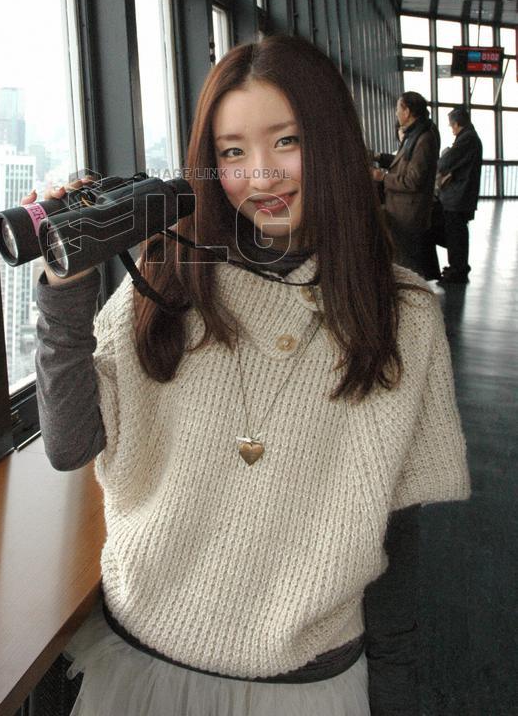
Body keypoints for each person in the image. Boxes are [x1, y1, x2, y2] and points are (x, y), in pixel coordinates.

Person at [26, 35, 470, 716]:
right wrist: (64, 287)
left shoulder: (402, 315)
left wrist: (397, 689)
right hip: (139, 666)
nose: (260, 176)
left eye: (286, 141)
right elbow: (69, 444)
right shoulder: (165, 277)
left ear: (334, 144)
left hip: (308, 686)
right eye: (232, 152)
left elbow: (394, 539)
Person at [372, 93, 440, 279]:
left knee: (408, 266)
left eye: (397, 108)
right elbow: (403, 163)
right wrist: (378, 157)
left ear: (407, 111)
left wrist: (382, 176)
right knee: (405, 260)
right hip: (404, 210)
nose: (396, 113)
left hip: (409, 213)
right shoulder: (415, 134)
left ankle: (413, 301)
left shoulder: (423, 138)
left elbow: (413, 180)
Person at [435, 107, 483, 284]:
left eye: (451, 125)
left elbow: (447, 161)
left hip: (458, 197)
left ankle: (458, 269)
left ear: (456, 123)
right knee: (457, 233)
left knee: (456, 234)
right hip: (462, 196)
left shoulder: (467, 139)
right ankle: (457, 266)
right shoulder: (471, 138)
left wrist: (442, 159)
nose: (451, 129)